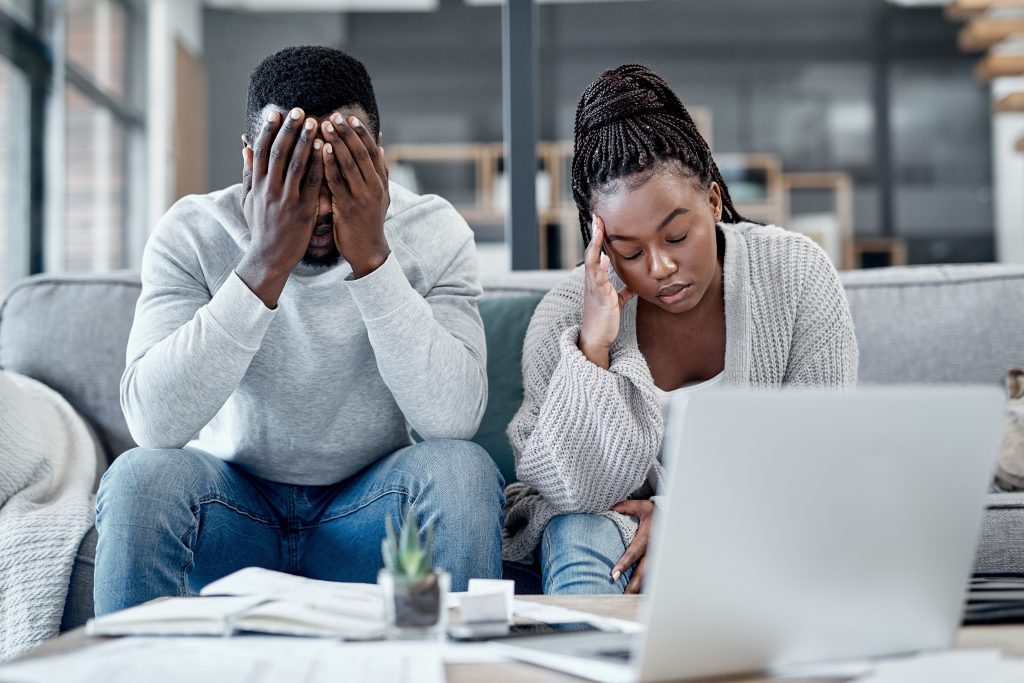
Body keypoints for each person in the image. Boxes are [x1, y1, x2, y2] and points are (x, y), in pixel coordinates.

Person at [94, 46, 503, 615]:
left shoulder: (432, 231)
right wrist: (264, 261)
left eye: (339, 172)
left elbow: (452, 420)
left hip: (369, 513)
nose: (319, 207)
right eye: (291, 173)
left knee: (461, 472)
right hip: (232, 510)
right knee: (141, 478)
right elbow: (153, 423)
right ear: (248, 159)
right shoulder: (191, 232)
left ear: (376, 161)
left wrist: (374, 261)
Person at [502, 64, 858, 596]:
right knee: (575, 529)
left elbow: (821, 454)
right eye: (629, 251)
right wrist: (593, 351)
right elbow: (573, 491)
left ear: (713, 202)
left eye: (676, 236)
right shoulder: (566, 316)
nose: (660, 267)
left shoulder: (794, 271)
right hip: (622, 540)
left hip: (762, 526)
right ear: (600, 244)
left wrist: (683, 518)